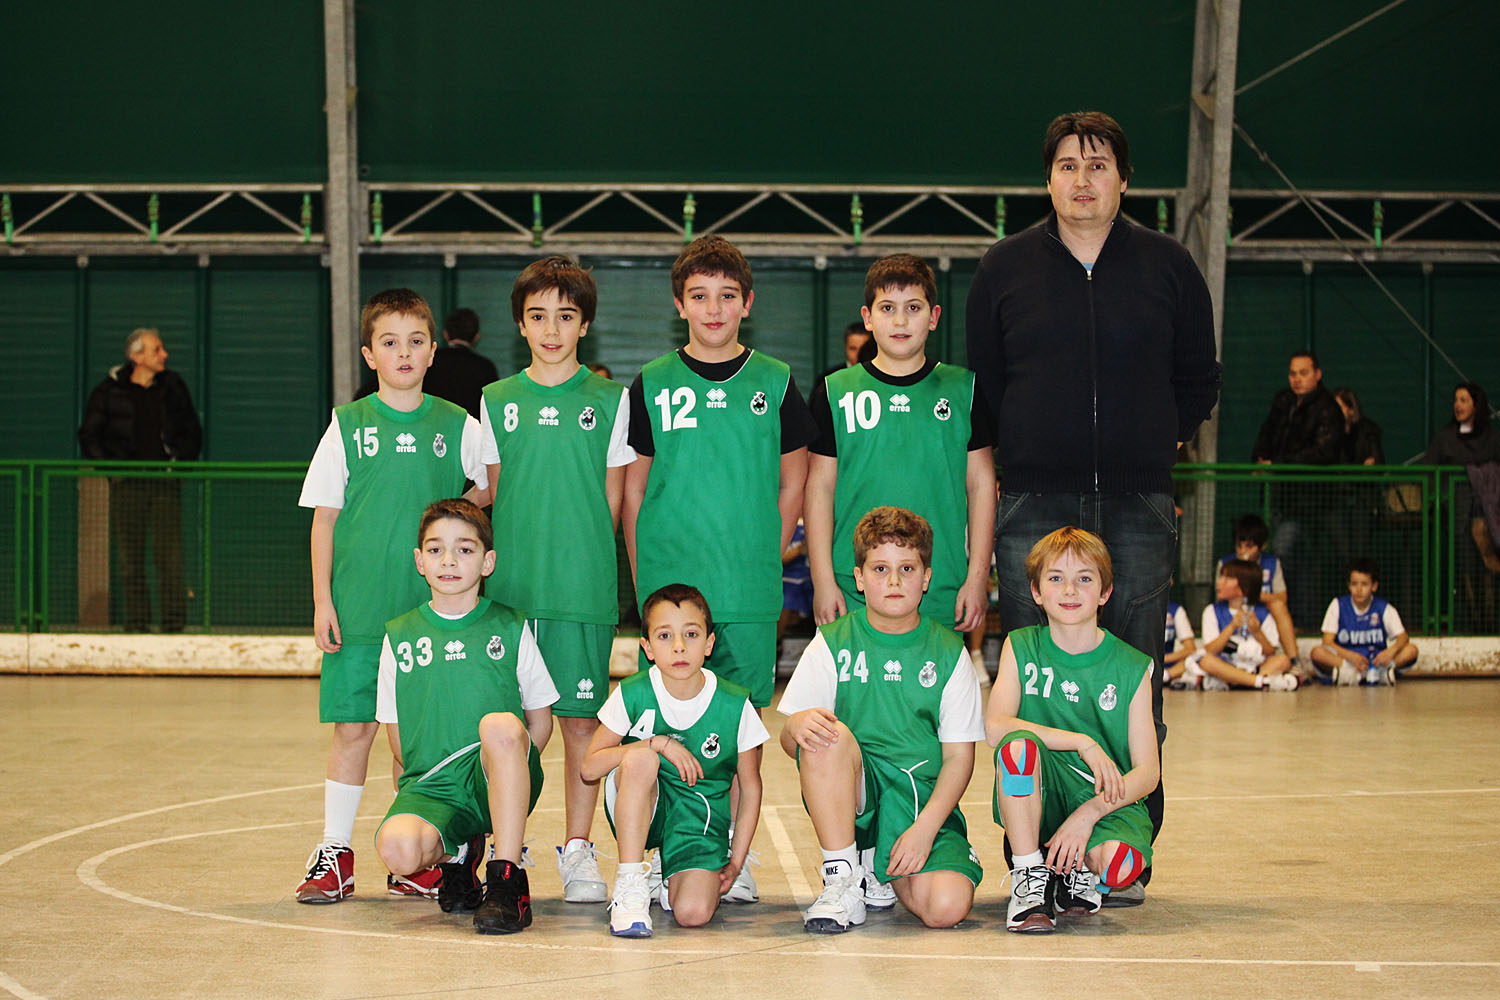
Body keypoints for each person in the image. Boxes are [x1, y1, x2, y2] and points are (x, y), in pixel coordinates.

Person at [965, 111, 1221, 901]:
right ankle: (1033, 860)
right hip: (1033, 502)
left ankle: (1126, 846)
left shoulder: (1169, 265)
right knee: (1030, 681)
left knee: (1138, 679)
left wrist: (1151, 442)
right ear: (1048, 179)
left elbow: (1198, 378)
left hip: (1140, 503)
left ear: (1124, 179)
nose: (1083, 179)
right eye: (1069, 165)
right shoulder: (1003, 268)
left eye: (1099, 164)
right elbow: (985, 387)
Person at [623, 235, 817, 904]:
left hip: (746, 588)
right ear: (679, 304)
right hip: (672, 588)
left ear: (747, 303)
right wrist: (643, 580)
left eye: (727, 296)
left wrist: (768, 550)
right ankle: (660, 852)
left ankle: (733, 851)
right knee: (661, 730)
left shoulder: (776, 380)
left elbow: (794, 481)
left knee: (738, 734)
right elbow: (635, 491)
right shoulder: (651, 382)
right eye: (700, 296)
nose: (714, 309)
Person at [294, 287, 490, 904]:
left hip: (430, 616)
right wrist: (323, 600)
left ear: (432, 352)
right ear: (369, 354)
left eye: (414, 341)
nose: (403, 353)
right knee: (354, 728)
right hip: (359, 607)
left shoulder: (458, 424)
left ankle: (418, 857)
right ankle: (335, 852)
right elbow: (324, 518)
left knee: (419, 739)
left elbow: (489, 488)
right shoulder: (348, 425)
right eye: (389, 342)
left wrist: (454, 519)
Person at [478, 256, 636, 905]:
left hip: (580, 592)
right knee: (503, 727)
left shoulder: (611, 401)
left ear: (585, 324)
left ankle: (576, 848)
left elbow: (613, 505)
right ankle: (500, 846)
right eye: (538, 316)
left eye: (565, 316)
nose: (551, 329)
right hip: (509, 595)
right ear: (520, 324)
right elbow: (492, 494)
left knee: (577, 727)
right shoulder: (496, 400)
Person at [778, 506, 985, 934]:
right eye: (880, 569)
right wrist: (795, 727)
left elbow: (959, 760)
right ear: (859, 578)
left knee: (946, 907)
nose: (894, 581)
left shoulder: (949, 653)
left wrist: (924, 830)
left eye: (907, 569)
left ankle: (876, 863)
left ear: (926, 578)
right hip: (857, 796)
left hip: (918, 802)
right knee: (827, 734)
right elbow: (791, 740)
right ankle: (843, 875)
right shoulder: (832, 643)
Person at [373, 499, 556, 934]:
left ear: (487, 562)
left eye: (465, 549)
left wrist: (506, 766)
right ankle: (460, 853)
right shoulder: (399, 636)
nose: (449, 561)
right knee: (398, 850)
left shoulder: (510, 626)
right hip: (434, 784)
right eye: (436, 550)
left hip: (494, 775)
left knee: (499, 726)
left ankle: (507, 880)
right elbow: (396, 736)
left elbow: (540, 722)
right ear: (419, 561)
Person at [805, 253, 996, 638]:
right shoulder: (834, 391)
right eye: (887, 308)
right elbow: (819, 488)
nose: (900, 320)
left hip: (939, 584)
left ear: (934, 316)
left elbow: (981, 485)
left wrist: (977, 578)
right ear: (868, 317)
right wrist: (823, 580)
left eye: (913, 307)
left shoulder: (965, 390)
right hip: (853, 586)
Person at [984, 527, 1158, 932]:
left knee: (1120, 866)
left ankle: (1074, 873)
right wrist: (1083, 742)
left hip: (1103, 797)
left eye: (1084, 578)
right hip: (1041, 792)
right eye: (1056, 578)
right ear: (1036, 591)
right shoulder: (1020, 646)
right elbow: (995, 727)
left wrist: (1088, 814)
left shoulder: (1132, 666)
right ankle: (1030, 875)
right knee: (1017, 746)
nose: (1069, 590)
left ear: (1105, 592)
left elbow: (1148, 772)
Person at [583, 584, 768, 937]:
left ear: (709, 644)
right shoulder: (633, 692)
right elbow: (589, 767)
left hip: (698, 820)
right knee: (641, 759)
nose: (679, 646)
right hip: (646, 806)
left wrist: (736, 859)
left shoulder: (734, 703)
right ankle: (631, 882)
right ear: (648, 648)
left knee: (693, 913)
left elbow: (750, 788)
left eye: (691, 634)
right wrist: (656, 744)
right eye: (665, 636)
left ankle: (671, 871)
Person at [77, 327, 203, 633]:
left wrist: (178, 464)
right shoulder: (109, 391)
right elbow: (89, 434)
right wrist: (113, 470)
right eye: (156, 349)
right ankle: (136, 621)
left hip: (164, 483)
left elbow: (192, 430)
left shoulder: (172, 386)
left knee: (169, 555)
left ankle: (173, 622)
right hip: (128, 484)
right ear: (137, 356)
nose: (164, 355)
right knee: (130, 555)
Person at [1251, 351, 1346, 625]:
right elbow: (1266, 434)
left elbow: (1323, 452)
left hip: (1313, 501)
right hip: (1280, 497)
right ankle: (1291, 619)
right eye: (1293, 373)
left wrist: (1278, 465)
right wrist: (1261, 459)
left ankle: (1302, 619)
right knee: (1289, 557)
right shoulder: (1283, 402)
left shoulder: (1328, 408)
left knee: (1292, 553)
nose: (1297, 379)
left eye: (1303, 373)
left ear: (1318, 374)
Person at [1422, 384, 1500, 630]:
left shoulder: (1492, 439)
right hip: (1457, 516)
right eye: (1456, 400)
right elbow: (1428, 472)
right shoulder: (1445, 438)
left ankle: (1491, 620)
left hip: (1486, 516)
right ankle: (1473, 620)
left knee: (1488, 564)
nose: (1458, 405)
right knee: (1466, 565)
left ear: (1476, 405)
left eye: (1464, 400)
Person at [1180, 559, 1298, 691]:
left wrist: (1257, 632)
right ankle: (1259, 682)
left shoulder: (1263, 613)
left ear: (1244, 587)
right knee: (1207, 661)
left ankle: (1238, 681)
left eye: (1227, 578)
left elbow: (1270, 651)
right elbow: (1211, 650)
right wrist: (1231, 627)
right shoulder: (1212, 611)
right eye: (1221, 577)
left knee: (1283, 660)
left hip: (1254, 666)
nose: (1219, 582)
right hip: (1225, 666)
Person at [1308, 557, 1418, 686]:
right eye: (1354, 584)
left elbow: (1403, 638)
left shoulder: (1384, 608)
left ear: (1374, 586)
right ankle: (1352, 674)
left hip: (1377, 662)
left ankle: (1380, 673)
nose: (1359, 589)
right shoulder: (1337, 605)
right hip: (1348, 661)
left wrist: (1390, 652)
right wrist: (1350, 656)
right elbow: (1327, 642)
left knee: (1411, 650)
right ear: (1349, 585)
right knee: (1317, 653)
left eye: (1364, 584)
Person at [1216, 514, 1297, 667]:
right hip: (1233, 610)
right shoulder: (1225, 563)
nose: (1242, 551)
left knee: (1278, 606)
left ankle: (1294, 661)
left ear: (1262, 546)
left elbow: (1282, 598)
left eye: (1249, 546)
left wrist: (1252, 592)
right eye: (1239, 546)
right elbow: (1220, 596)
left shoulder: (1272, 563)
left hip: (1261, 610)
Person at [418, 307, 501, 419]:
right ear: (476, 337)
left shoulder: (430, 360)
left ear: (445, 334)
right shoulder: (485, 367)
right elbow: (492, 408)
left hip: (434, 425)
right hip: (471, 428)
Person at [1334, 387, 1383, 466]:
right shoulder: (1328, 432)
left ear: (1351, 410)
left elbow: (1377, 461)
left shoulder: (1368, 431)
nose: (1334, 411)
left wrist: (1371, 464)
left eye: (1339, 407)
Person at [1160, 595, 1197, 685]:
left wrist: (1163, 659)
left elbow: (1190, 649)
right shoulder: (1134, 607)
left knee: (1195, 659)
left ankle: (1164, 676)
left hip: (1166, 665)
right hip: (1139, 663)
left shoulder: (1175, 609)